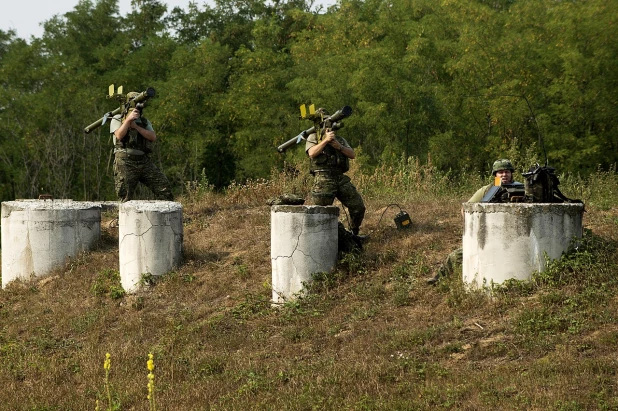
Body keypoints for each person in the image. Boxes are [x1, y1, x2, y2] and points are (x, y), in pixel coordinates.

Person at [427, 159, 520, 284]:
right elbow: (465, 208)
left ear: (511, 173)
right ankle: (438, 279)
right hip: (488, 235)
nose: (504, 175)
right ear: (495, 175)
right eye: (500, 172)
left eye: (507, 172)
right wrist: (475, 225)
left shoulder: (521, 188)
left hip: (514, 236)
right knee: (456, 256)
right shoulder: (487, 190)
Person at [305, 110, 366, 252]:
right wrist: (325, 140)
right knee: (322, 212)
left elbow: (352, 154)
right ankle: (324, 239)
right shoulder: (313, 137)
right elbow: (312, 153)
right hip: (323, 178)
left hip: (340, 177)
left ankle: (353, 234)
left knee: (358, 207)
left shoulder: (340, 139)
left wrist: (338, 146)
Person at [110, 92, 173, 202]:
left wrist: (137, 127)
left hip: (143, 161)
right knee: (125, 195)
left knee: (164, 188)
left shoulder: (144, 121)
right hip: (125, 160)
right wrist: (128, 120)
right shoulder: (117, 118)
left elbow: (152, 137)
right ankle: (124, 218)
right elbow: (119, 135)